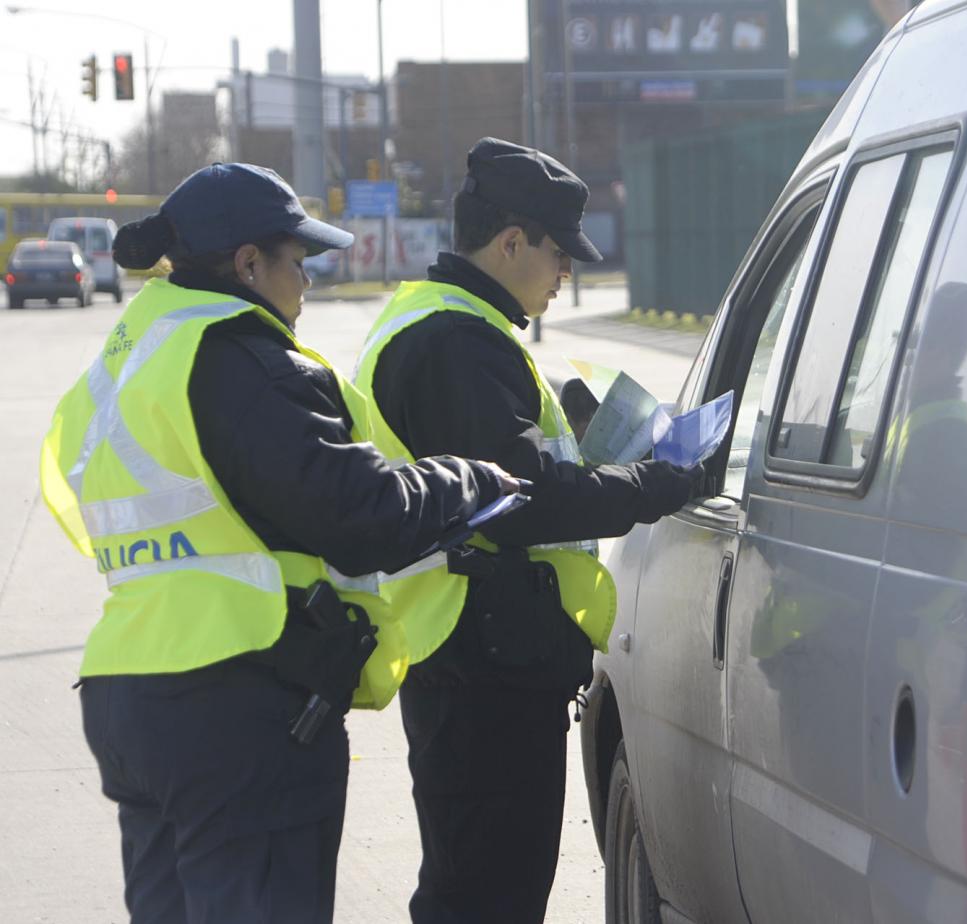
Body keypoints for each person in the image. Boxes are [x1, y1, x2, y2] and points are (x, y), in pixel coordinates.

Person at [39, 162, 521, 924]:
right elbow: (357, 511)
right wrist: (471, 479)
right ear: (248, 264)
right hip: (234, 700)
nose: (307, 283)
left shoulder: (136, 352)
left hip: (129, 689)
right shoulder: (237, 356)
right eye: (298, 262)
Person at [353, 137, 701, 923]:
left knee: (482, 887)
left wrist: (591, 439)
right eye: (558, 252)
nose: (566, 271)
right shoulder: (453, 342)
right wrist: (655, 484)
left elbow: (515, 462)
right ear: (511, 242)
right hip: (478, 662)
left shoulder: (457, 327)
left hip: (481, 654)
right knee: (485, 897)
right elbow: (524, 497)